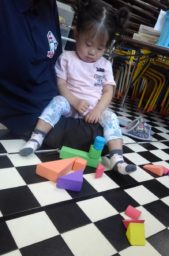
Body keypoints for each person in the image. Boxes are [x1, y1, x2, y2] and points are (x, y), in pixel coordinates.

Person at [20, 0, 136, 175]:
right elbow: (61, 83)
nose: (92, 52)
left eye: (100, 48)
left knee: (111, 117)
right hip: (70, 105)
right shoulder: (66, 58)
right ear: (76, 34)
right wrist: (73, 100)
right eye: (88, 44)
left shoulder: (105, 64)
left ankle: (117, 158)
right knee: (57, 101)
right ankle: (36, 138)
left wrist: (98, 110)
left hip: (93, 111)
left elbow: (108, 90)